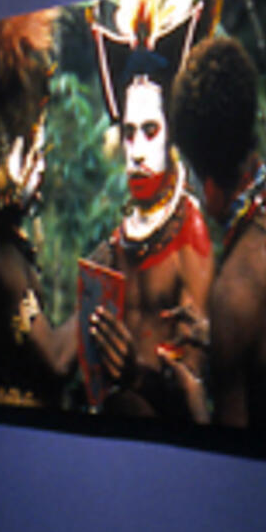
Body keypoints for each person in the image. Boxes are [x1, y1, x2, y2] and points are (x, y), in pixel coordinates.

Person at [164, 36, 266, 430]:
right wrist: (216, 337)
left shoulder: (233, 289)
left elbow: (232, 453)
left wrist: (193, 391)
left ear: (209, 186)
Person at [83, 53, 214, 421]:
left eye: (150, 130)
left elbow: (192, 385)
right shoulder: (116, 244)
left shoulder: (190, 232)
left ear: (171, 133)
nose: (137, 151)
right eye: (128, 133)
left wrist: (134, 376)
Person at [0, 10, 81, 407]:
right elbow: (57, 361)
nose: (43, 166)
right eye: (37, 152)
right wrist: (102, 288)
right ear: (13, 156)